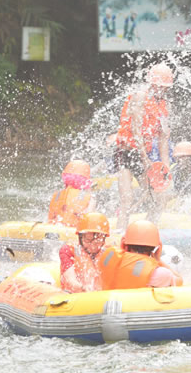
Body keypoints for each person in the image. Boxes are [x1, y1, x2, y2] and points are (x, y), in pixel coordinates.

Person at [114, 63, 173, 227]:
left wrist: (165, 169)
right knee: (127, 199)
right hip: (125, 153)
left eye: (166, 87)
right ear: (152, 83)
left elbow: (163, 140)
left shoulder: (165, 105)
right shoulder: (139, 97)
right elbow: (135, 130)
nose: (163, 90)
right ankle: (120, 234)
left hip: (142, 157)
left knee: (159, 201)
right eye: (160, 86)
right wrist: (145, 159)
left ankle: (146, 233)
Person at [98, 219, 182, 289]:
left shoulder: (107, 256)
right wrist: (157, 259)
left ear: (124, 243)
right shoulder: (159, 274)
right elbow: (179, 281)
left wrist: (122, 249)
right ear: (156, 247)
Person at [58, 212, 108, 293]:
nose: (92, 246)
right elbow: (70, 280)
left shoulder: (109, 253)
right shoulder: (68, 251)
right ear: (80, 237)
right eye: (88, 240)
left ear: (104, 239)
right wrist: (82, 288)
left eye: (97, 241)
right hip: (73, 297)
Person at [48, 160, 95, 228]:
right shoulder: (90, 198)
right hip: (74, 230)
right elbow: (90, 220)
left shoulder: (57, 194)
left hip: (53, 228)